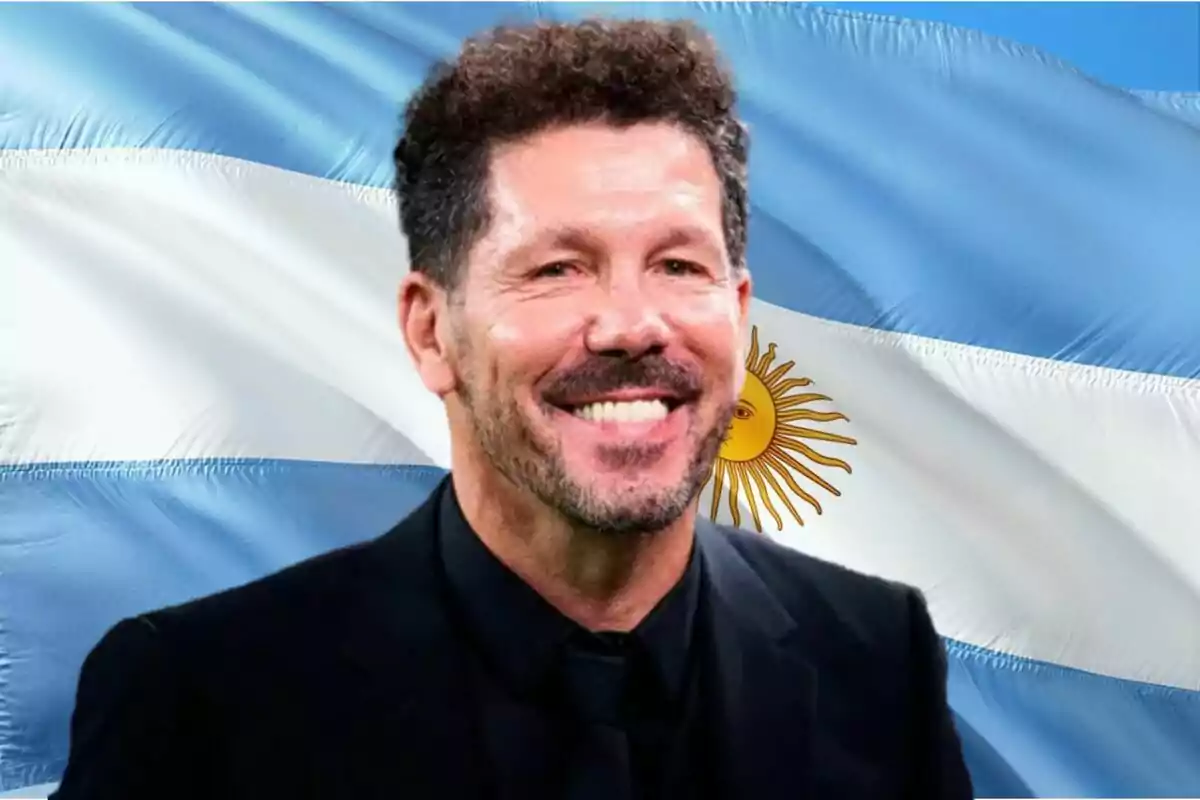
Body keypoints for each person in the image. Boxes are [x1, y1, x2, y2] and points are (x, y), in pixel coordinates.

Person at [51, 18, 974, 800]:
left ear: (736, 314)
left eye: (679, 265)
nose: (631, 325)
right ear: (430, 331)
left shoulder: (877, 658)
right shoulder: (195, 699)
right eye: (557, 268)